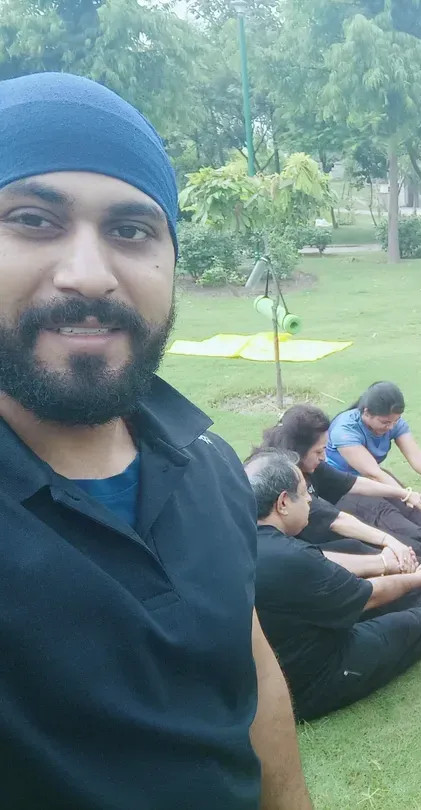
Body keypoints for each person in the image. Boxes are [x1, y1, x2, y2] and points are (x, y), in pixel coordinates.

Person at [0, 73, 310, 809]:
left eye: (131, 230)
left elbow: (250, 666)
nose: (88, 276)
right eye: (34, 220)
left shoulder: (210, 464)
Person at [247, 449, 421, 721]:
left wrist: (386, 564)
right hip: (310, 681)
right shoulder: (289, 556)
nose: (310, 498)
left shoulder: (242, 540)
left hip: (265, 672)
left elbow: (322, 562)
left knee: (361, 566)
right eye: (304, 491)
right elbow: (370, 596)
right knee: (407, 626)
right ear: (283, 503)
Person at [254, 405, 421, 560]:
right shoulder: (285, 478)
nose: (324, 457)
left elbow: (352, 482)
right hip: (288, 551)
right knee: (358, 545)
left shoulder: (306, 464)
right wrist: (388, 541)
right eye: (318, 451)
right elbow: (338, 521)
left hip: (310, 534)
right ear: (299, 449)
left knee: (368, 529)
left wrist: (404, 494)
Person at [326, 381, 421, 537]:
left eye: (395, 421)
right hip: (340, 486)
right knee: (383, 510)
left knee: (408, 504)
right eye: (385, 422)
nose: (391, 427)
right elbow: (373, 473)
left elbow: (416, 456)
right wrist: (406, 495)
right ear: (367, 413)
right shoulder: (345, 429)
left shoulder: (392, 422)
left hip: (369, 477)